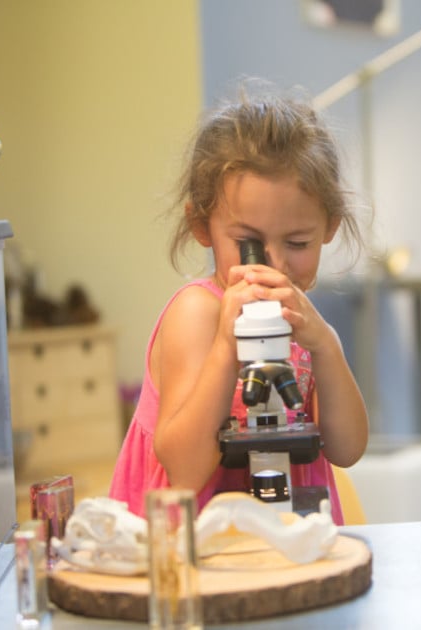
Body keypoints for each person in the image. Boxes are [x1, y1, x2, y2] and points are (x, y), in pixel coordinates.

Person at [109, 83, 369, 525]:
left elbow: (347, 449)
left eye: (299, 242)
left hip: (283, 534)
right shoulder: (198, 314)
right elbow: (185, 471)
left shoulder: (305, 323)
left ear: (329, 227)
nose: (276, 265)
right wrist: (227, 348)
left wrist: (326, 346)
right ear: (201, 225)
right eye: (249, 243)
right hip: (196, 547)